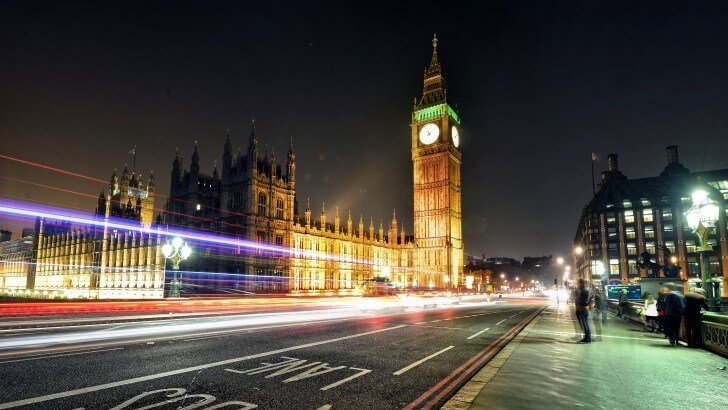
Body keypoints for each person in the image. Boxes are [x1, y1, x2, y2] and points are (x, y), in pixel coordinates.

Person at [574, 278, 593, 343]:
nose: (577, 284)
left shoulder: (583, 290)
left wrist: (579, 306)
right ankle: (587, 338)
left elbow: (583, 301)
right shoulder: (583, 289)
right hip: (582, 309)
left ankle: (587, 339)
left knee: (585, 325)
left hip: (582, 310)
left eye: (578, 283)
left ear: (581, 283)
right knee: (585, 324)